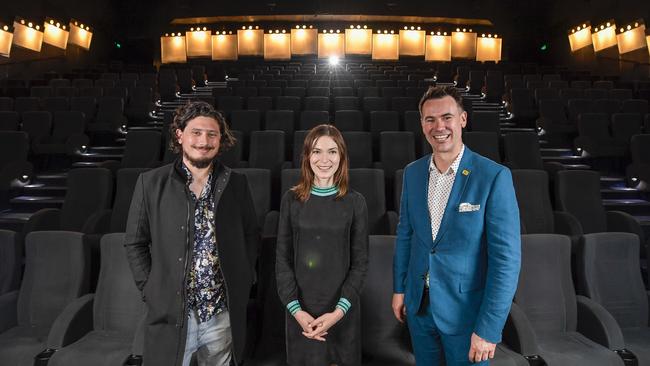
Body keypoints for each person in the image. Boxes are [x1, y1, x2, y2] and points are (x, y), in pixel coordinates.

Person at [392, 86, 521, 365]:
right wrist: (400, 289)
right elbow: (405, 235)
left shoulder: (493, 176)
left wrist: (489, 328)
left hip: (467, 315)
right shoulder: (412, 173)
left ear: (462, 119)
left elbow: (506, 261)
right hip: (420, 308)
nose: (439, 127)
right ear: (422, 124)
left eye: (447, 117)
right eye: (430, 119)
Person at [124, 101, 259, 366]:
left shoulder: (236, 183)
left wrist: (244, 277)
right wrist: (150, 289)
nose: (204, 141)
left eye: (212, 134)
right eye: (196, 132)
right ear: (180, 135)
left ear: (221, 139)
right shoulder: (150, 183)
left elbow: (250, 234)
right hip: (173, 312)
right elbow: (135, 242)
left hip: (221, 312)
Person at [276, 124, 369, 366]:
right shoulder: (291, 200)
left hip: (342, 311)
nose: (324, 159)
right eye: (317, 151)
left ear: (342, 156)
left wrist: (338, 312)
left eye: (332, 151)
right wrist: (297, 310)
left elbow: (360, 264)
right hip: (301, 313)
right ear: (307, 156)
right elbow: (282, 259)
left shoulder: (355, 202)